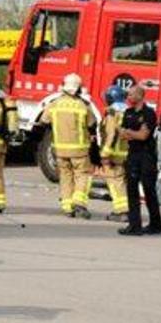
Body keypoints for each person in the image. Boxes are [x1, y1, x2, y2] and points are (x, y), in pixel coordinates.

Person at [39, 73, 97, 219]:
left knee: (65, 177)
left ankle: (67, 207)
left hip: (60, 150)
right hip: (80, 150)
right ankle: (79, 203)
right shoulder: (83, 105)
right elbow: (92, 124)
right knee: (82, 175)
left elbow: (43, 122)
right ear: (78, 88)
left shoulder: (54, 104)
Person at [118, 85, 161, 236]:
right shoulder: (128, 113)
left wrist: (130, 132)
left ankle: (156, 225)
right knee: (131, 189)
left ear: (139, 96)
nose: (128, 97)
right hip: (133, 155)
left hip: (147, 156)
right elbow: (122, 134)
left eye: (131, 95)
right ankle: (134, 225)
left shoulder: (148, 113)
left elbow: (143, 136)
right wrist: (132, 133)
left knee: (149, 189)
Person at [99, 85, 129, 222]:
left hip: (116, 154)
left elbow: (111, 134)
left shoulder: (112, 112)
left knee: (115, 182)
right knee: (125, 183)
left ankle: (121, 211)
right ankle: (128, 210)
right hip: (129, 154)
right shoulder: (130, 111)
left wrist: (105, 154)